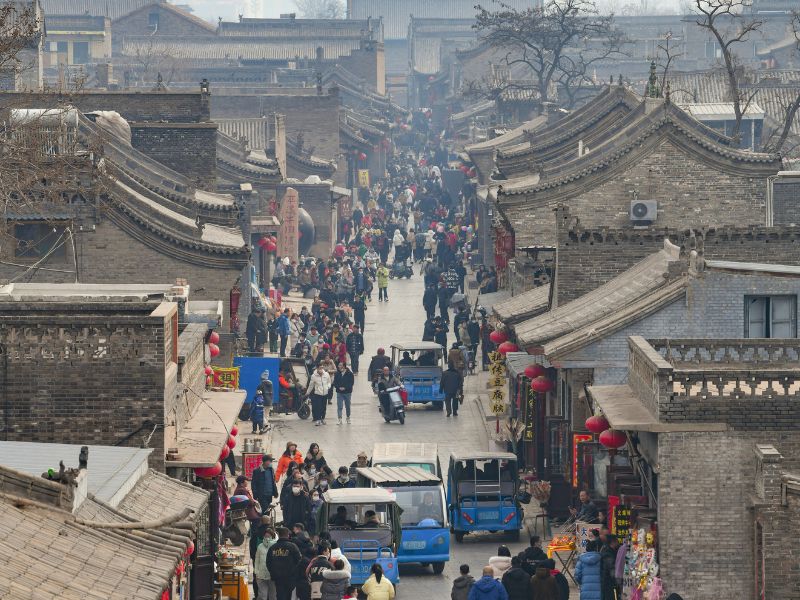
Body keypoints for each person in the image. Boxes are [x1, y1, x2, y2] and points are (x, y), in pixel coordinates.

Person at [267, 527, 302, 600]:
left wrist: (273, 572)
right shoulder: (293, 546)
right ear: (288, 535)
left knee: (280, 595)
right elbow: (299, 560)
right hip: (290, 577)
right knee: (288, 596)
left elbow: (268, 563)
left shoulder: (273, 548)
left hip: (277, 577)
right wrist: (294, 572)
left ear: (279, 535)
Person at [254, 528, 277, 600]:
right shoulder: (260, 546)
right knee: (262, 596)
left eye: (269, 536)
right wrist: (256, 572)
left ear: (272, 536)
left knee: (273, 596)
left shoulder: (276, 546)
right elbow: (257, 560)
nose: (267, 537)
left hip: (272, 576)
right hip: (261, 575)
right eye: (265, 536)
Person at [600, 536, 621, 600]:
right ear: (613, 542)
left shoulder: (608, 551)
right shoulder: (608, 553)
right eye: (617, 541)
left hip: (607, 582)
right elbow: (612, 568)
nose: (618, 543)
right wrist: (618, 581)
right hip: (609, 584)